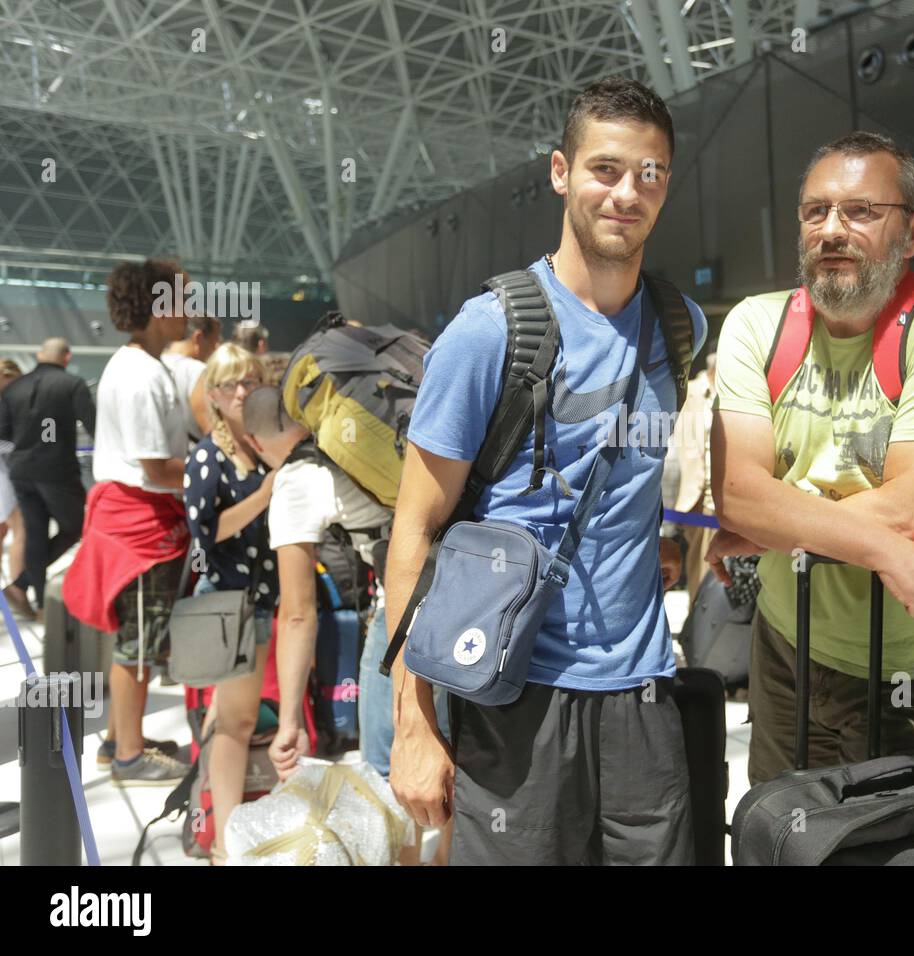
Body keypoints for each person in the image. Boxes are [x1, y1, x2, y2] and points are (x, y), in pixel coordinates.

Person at [386, 77, 707, 865]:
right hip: (510, 691)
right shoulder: (489, 331)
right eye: (605, 169)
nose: (626, 192)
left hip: (640, 695)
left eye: (650, 174)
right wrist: (414, 724)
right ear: (561, 171)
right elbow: (414, 529)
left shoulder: (680, 325)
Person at [707, 131, 914, 785]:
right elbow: (740, 496)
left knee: (881, 843)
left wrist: (772, 529)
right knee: (777, 826)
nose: (832, 229)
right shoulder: (756, 322)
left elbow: (910, 513)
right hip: (783, 640)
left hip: (901, 666)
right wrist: (882, 549)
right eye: (815, 211)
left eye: (862, 212)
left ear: (913, 232)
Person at [62, 260, 191, 785]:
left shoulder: (139, 365)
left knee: (137, 636)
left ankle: (120, 737)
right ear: (159, 308)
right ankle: (130, 756)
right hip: (141, 527)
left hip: (140, 519)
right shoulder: (140, 375)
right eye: (183, 298)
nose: (191, 311)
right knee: (138, 641)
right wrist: (210, 471)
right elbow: (155, 466)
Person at [240, 386, 391, 768]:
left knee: (383, 763)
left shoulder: (296, 479)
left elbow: (296, 614)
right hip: (463, 578)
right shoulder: (347, 446)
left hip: (406, 602)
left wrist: (290, 723)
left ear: (253, 441)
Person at [180, 344, 278, 863]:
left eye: (249, 381)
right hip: (228, 606)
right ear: (214, 396)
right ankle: (224, 843)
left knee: (227, 720)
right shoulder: (209, 454)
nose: (241, 392)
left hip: (253, 603)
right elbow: (206, 533)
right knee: (236, 725)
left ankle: (215, 831)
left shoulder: (257, 447)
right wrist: (264, 494)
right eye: (229, 385)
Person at [0, 338, 96, 617]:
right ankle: (24, 585)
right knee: (77, 526)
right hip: (56, 470)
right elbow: (93, 425)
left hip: (21, 471)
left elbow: (3, 432)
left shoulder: (15, 386)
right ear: (66, 357)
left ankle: (36, 600)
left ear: (40, 355)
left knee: (36, 534)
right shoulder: (72, 385)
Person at [664, 351, 717, 602]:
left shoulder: (739, 392)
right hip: (696, 499)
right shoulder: (690, 390)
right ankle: (698, 635)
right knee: (700, 578)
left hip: (732, 499)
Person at [162, 311, 221, 443]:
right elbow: (210, 429)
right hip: (189, 458)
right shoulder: (197, 370)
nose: (216, 348)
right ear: (198, 338)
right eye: (215, 340)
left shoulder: (158, 363)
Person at [0, 361, 25, 615]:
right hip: (5, 475)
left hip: (9, 472)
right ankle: (18, 593)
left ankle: (16, 593)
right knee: (20, 528)